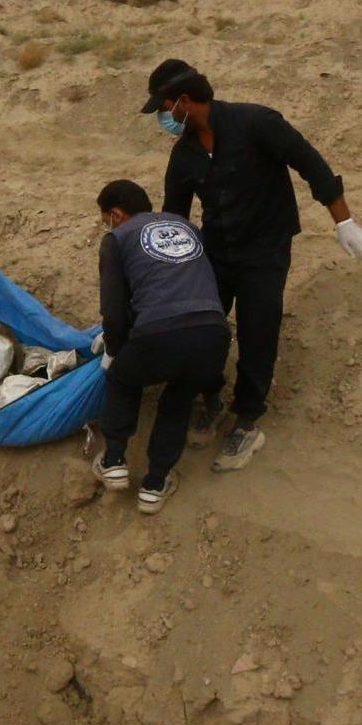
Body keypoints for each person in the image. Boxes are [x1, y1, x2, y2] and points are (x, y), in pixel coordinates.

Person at [143, 58, 362, 471]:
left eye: (164, 108)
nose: (163, 118)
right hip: (215, 250)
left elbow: (311, 163)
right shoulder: (184, 155)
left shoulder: (255, 123)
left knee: (258, 331)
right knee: (202, 329)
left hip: (265, 250)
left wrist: (344, 221)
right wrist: (167, 272)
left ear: (185, 101)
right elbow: (174, 216)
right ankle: (210, 397)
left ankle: (247, 420)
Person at [92, 179, 230, 514]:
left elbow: (113, 308)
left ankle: (113, 461)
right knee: (178, 398)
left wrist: (113, 350)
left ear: (116, 214)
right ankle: (154, 485)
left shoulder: (117, 239)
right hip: (214, 332)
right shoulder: (186, 226)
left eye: (104, 219)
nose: (105, 225)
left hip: (160, 331)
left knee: (123, 378)